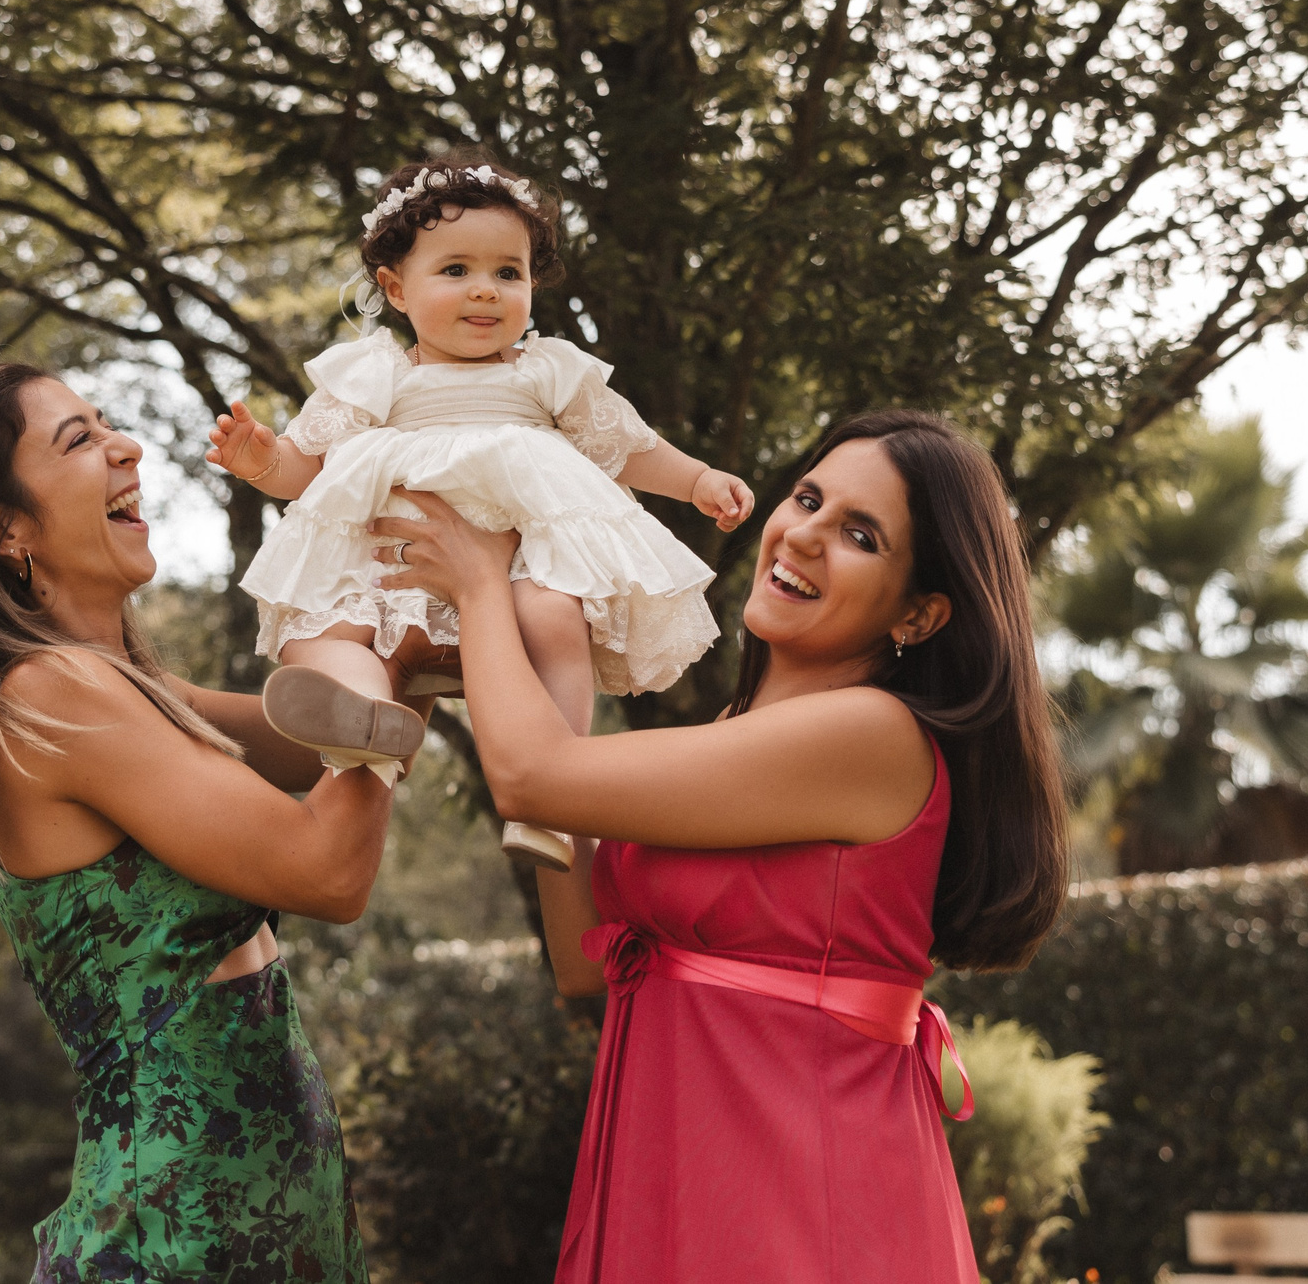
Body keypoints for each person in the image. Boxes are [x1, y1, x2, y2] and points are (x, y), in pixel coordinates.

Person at [370, 410, 1069, 1283]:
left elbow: (528, 778)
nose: (805, 534)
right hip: (676, 1174)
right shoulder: (737, 732)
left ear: (921, 614)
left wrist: (482, 591)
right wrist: (547, 680)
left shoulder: (872, 734)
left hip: (804, 1195)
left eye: (860, 534)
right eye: (808, 497)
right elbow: (585, 958)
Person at [0, 362, 391, 1284]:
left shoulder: (134, 694)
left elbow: (329, 750)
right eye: (77, 440)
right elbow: (329, 865)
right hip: (173, 1245)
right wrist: (371, 681)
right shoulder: (53, 696)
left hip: (258, 1236)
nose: (128, 446)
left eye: (107, 422)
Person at [205, 158, 755, 870]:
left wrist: (699, 479)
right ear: (396, 289)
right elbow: (302, 465)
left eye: (508, 273)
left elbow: (627, 446)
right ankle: (365, 722)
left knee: (556, 616)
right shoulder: (378, 374)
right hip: (393, 570)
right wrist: (259, 460)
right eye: (457, 270)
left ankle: (560, 793)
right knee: (334, 630)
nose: (485, 291)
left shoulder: (546, 370)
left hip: (517, 567)